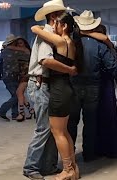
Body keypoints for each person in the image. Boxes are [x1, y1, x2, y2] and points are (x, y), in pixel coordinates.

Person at [23, 0, 69, 179]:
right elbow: (45, 61)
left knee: (51, 128)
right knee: (43, 128)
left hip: (44, 83)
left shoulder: (50, 33)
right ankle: (30, 167)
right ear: (53, 16)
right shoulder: (46, 34)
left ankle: (48, 165)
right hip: (39, 83)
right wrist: (70, 70)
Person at [31, 12, 79, 180]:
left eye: (56, 23)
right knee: (64, 132)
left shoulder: (59, 41)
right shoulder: (71, 43)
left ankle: (67, 170)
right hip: (66, 88)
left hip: (58, 90)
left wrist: (46, 28)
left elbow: (35, 28)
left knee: (58, 132)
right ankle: (73, 168)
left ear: (64, 26)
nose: (54, 27)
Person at [69, 10, 117, 162]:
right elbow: (112, 66)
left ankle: (69, 154)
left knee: (71, 122)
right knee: (90, 123)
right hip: (93, 87)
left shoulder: (70, 41)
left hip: (73, 85)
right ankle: (89, 154)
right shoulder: (100, 44)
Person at [84, 25, 117, 158]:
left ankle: (91, 150)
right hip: (104, 83)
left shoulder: (77, 41)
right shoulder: (102, 45)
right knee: (108, 116)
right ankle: (110, 149)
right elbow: (113, 66)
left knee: (90, 119)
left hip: (82, 83)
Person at [14, 37, 36, 122]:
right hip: (21, 75)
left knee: (19, 92)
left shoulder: (26, 50)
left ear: (24, 44)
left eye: (21, 43)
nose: (19, 45)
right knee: (21, 94)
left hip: (26, 74)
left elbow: (8, 48)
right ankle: (31, 110)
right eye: (18, 43)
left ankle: (22, 113)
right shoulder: (18, 52)